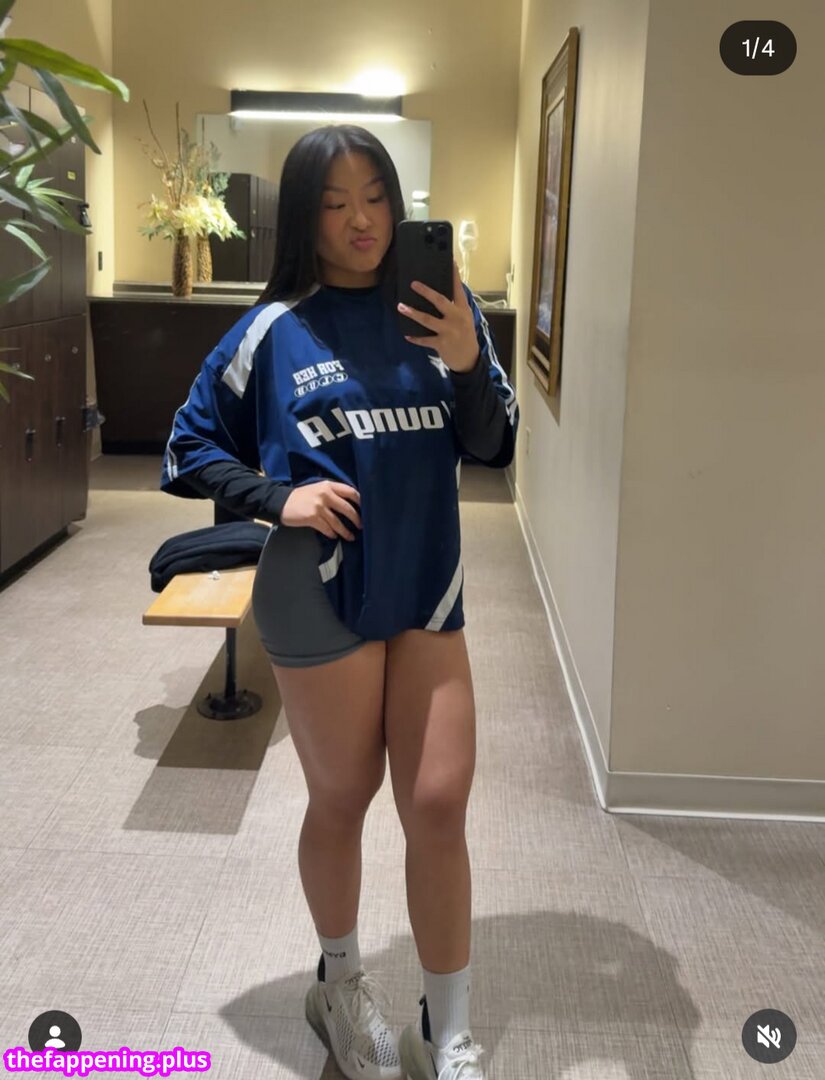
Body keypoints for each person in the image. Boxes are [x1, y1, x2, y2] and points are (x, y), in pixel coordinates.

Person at [160, 124, 519, 1080]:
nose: (360, 220)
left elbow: (494, 445)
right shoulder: (276, 328)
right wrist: (276, 497)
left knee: (436, 802)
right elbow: (187, 444)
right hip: (315, 589)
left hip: (425, 579)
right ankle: (340, 982)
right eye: (333, 203)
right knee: (344, 797)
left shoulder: (443, 309)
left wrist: (465, 359)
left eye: (374, 196)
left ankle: (445, 1034)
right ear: (302, 219)